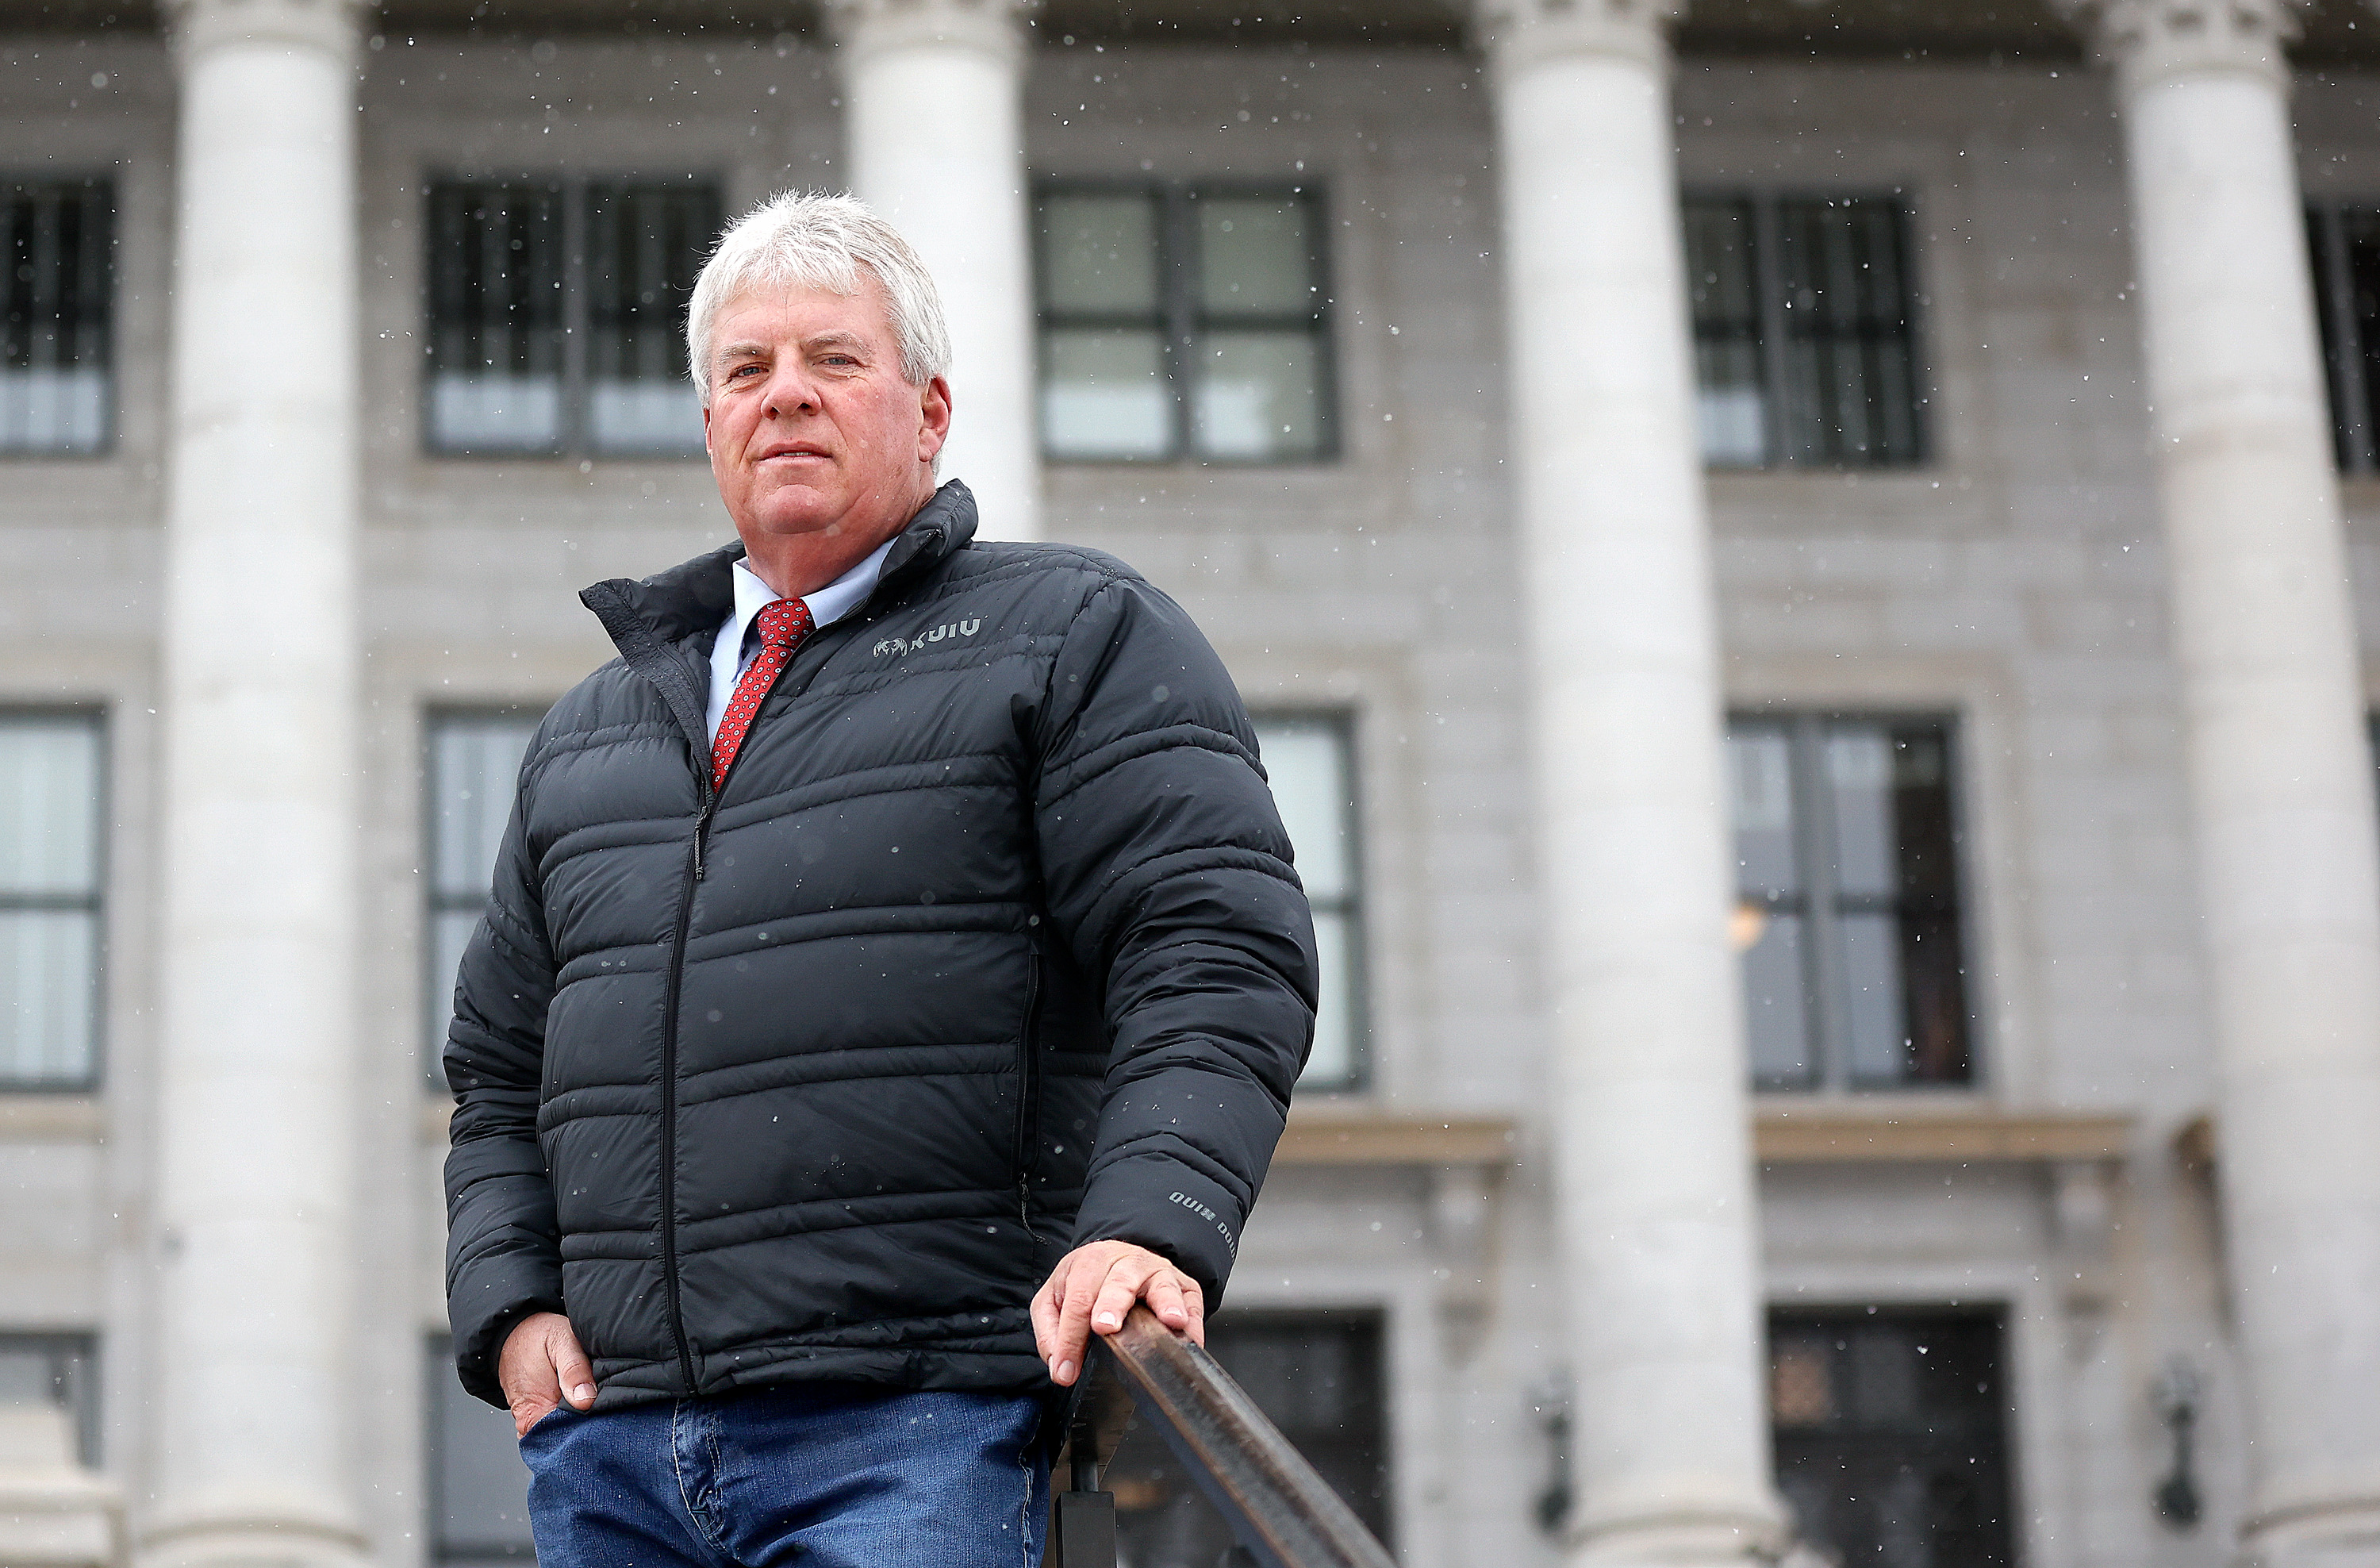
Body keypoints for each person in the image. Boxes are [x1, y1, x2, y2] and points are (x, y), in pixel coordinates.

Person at [441, 190, 1317, 1566]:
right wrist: (511, 1304)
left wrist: (1155, 1222)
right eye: (747, 369)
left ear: (930, 411)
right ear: (712, 426)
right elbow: (498, 1072)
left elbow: (1214, 949)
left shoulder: (1075, 632)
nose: (784, 394)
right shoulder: (590, 732)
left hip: (921, 1425)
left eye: (833, 360)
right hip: (615, 1451)